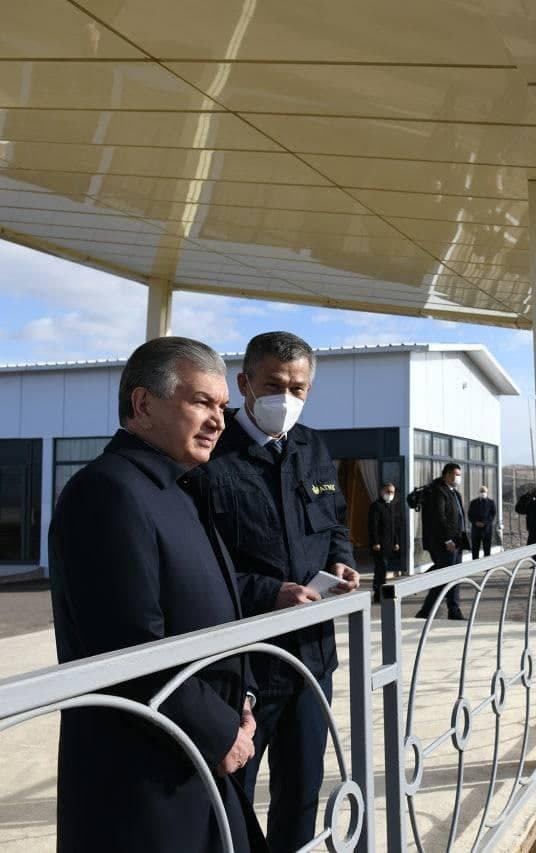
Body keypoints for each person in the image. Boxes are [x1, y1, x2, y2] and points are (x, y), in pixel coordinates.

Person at [49, 337, 265, 853]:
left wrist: (244, 699)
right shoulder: (108, 492)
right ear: (143, 404)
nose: (218, 421)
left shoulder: (179, 487)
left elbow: (217, 603)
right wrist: (221, 732)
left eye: (223, 407)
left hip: (197, 753)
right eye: (202, 402)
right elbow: (130, 647)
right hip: (145, 776)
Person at [204, 331, 360, 853]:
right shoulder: (211, 454)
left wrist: (342, 560)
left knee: (301, 793)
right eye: (273, 385)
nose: (286, 398)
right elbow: (201, 563)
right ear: (244, 383)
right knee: (232, 799)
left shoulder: (312, 446)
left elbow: (333, 522)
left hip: (312, 661)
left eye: (298, 388)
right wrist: (268, 592)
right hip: (244, 666)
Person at [415, 462, 468, 620]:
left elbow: (458, 518)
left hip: (457, 542)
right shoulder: (438, 492)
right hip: (445, 544)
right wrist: (447, 540)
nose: (458, 477)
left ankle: (453, 610)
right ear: (446, 475)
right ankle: (426, 611)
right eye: (456, 474)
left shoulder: (455, 493)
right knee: (443, 578)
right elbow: (439, 519)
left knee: (454, 577)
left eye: (459, 475)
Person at [369, 482, 403, 603]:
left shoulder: (392, 506)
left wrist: (396, 542)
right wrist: (375, 542)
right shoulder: (376, 506)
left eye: (392, 492)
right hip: (379, 545)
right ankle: (377, 594)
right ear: (382, 492)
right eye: (388, 491)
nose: (390, 494)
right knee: (380, 569)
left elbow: (394, 527)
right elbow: (373, 526)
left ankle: (382, 593)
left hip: (389, 544)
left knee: (384, 569)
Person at [467, 484, 497, 559]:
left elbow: (492, 514)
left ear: (487, 492)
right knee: (475, 548)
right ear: (479, 492)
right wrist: (475, 522)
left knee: (487, 548)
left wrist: (486, 523)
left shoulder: (491, 502)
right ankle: (475, 563)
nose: (483, 493)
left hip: (487, 529)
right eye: (481, 491)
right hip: (476, 529)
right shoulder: (473, 502)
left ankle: (486, 563)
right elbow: (470, 515)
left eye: (484, 491)